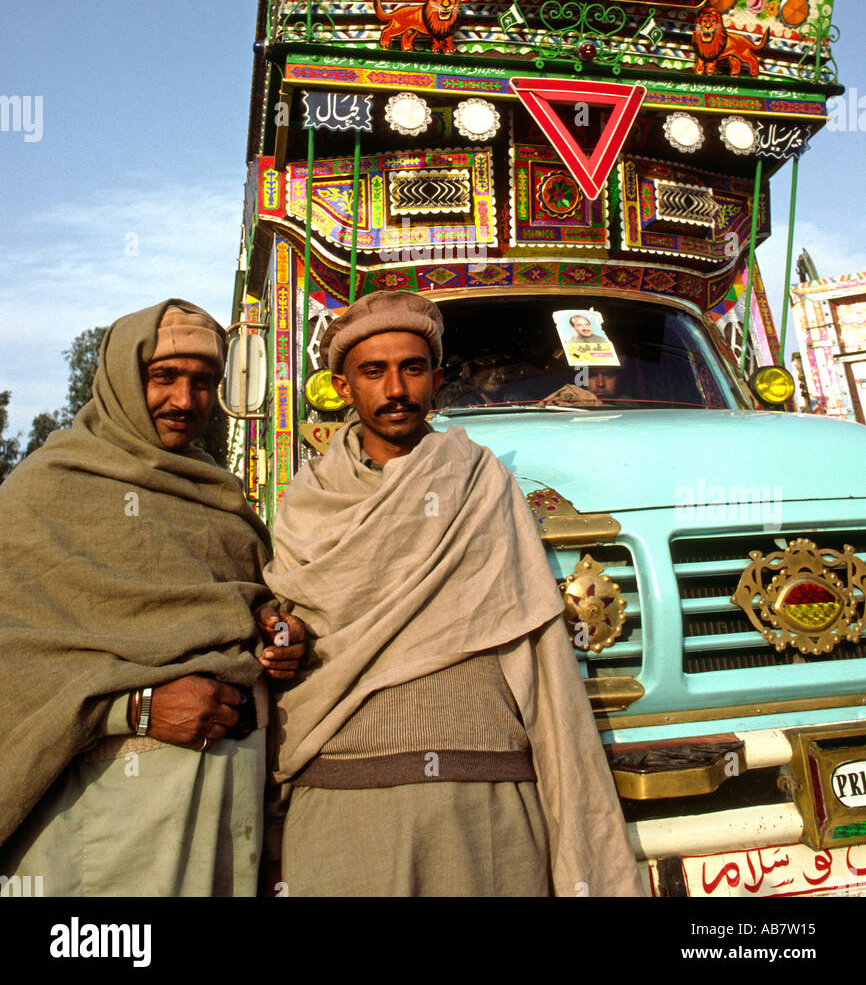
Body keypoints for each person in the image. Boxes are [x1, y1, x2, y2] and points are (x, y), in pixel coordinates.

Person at [264, 290, 642, 898]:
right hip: (337, 798)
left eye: (412, 369)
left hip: (484, 796)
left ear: (436, 379)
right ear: (341, 387)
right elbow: (291, 627)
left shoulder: (476, 477)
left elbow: (535, 648)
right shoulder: (306, 503)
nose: (395, 390)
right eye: (373, 371)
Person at [0, 299, 304, 897]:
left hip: (227, 807)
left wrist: (276, 629)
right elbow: (18, 661)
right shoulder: (42, 491)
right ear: (118, 378)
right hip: (108, 813)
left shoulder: (216, 494)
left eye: (203, 382)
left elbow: (243, 600)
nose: (185, 402)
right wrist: (135, 707)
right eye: (164, 378)